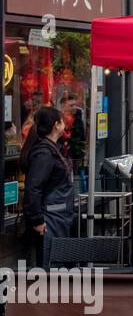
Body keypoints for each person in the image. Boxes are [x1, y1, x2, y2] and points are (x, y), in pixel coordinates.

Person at [20, 107, 74, 268]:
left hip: (58, 216)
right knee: (51, 268)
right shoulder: (44, 153)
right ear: (57, 125)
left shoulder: (52, 149)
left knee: (57, 266)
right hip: (49, 219)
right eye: (62, 121)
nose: (64, 124)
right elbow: (33, 188)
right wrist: (37, 220)